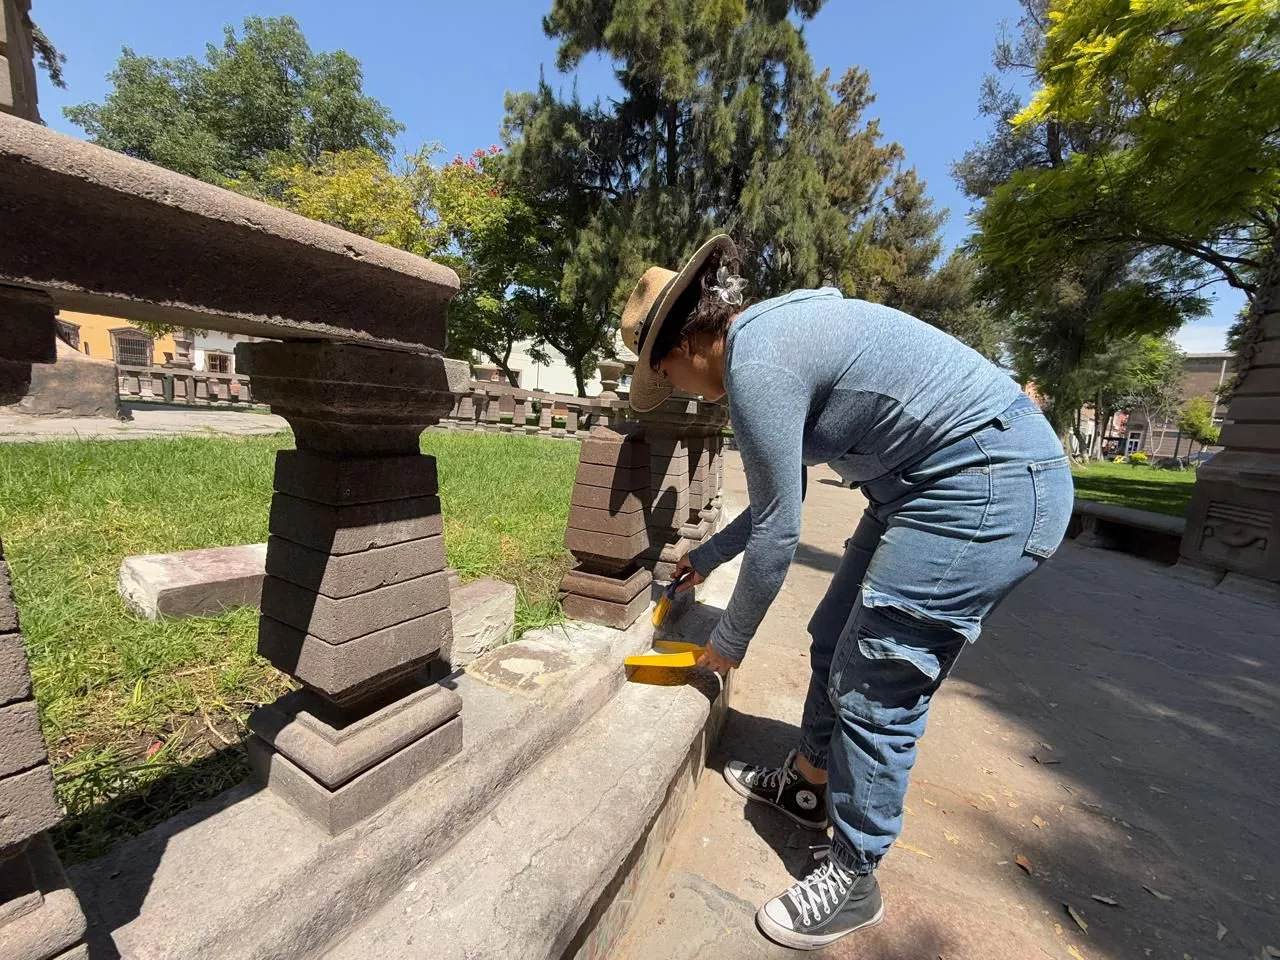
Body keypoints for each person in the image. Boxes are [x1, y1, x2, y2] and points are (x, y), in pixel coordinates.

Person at [619, 235, 1072, 951]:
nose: (677, 388)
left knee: (878, 675)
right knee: (833, 633)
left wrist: (726, 644)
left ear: (687, 341)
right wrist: (706, 558)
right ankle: (810, 783)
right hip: (916, 492)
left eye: (666, 373)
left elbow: (780, 535)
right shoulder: (764, 344)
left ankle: (856, 875)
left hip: (985, 487)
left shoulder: (756, 361)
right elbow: (784, 500)